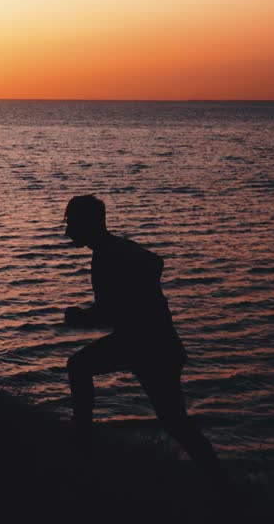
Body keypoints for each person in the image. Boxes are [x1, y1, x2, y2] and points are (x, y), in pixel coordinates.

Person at [60, 194, 231, 490]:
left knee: (174, 421)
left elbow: (114, 307)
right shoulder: (113, 251)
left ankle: (82, 446)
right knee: (174, 420)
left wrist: (82, 319)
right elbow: (154, 264)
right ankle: (219, 481)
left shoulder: (110, 255)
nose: (67, 231)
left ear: (87, 224)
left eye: (71, 224)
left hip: (149, 346)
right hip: (145, 342)